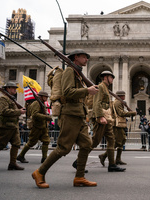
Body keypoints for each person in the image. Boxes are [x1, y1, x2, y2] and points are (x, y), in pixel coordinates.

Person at [31, 49, 99, 188]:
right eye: (84, 56)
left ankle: (79, 177)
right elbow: (68, 92)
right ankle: (39, 172)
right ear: (76, 57)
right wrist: (87, 90)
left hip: (79, 114)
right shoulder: (69, 71)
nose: (87, 59)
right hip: (70, 114)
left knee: (86, 145)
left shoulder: (77, 73)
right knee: (63, 148)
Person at [78, 70, 125, 172]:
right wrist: (100, 117)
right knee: (95, 141)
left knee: (111, 139)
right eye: (111, 77)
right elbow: (97, 102)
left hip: (106, 117)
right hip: (101, 117)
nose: (112, 79)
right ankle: (78, 161)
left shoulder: (106, 88)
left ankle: (112, 165)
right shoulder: (100, 87)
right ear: (105, 77)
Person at [0, 82, 26, 171]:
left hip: (13, 125)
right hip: (5, 126)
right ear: (8, 88)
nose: (15, 89)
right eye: (13, 88)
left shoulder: (11, 99)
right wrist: (19, 112)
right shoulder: (3, 98)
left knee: (16, 144)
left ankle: (12, 164)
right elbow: (4, 111)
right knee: (1, 145)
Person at [98, 90, 136, 166]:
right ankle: (104, 155)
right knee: (118, 142)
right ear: (121, 96)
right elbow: (121, 113)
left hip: (119, 124)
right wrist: (132, 113)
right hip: (117, 124)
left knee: (122, 140)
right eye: (123, 95)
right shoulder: (118, 102)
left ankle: (118, 159)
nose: (125, 97)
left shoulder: (118, 102)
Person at [17, 91, 52, 164]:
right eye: (45, 97)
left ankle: (44, 158)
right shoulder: (36, 103)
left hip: (43, 126)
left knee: (46, 141)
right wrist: (46, 117)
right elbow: (35, 114)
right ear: (41, 97)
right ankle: (21, 155)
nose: (46, 98)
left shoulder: (41, 103)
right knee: (31, 142)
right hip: (36, 126)